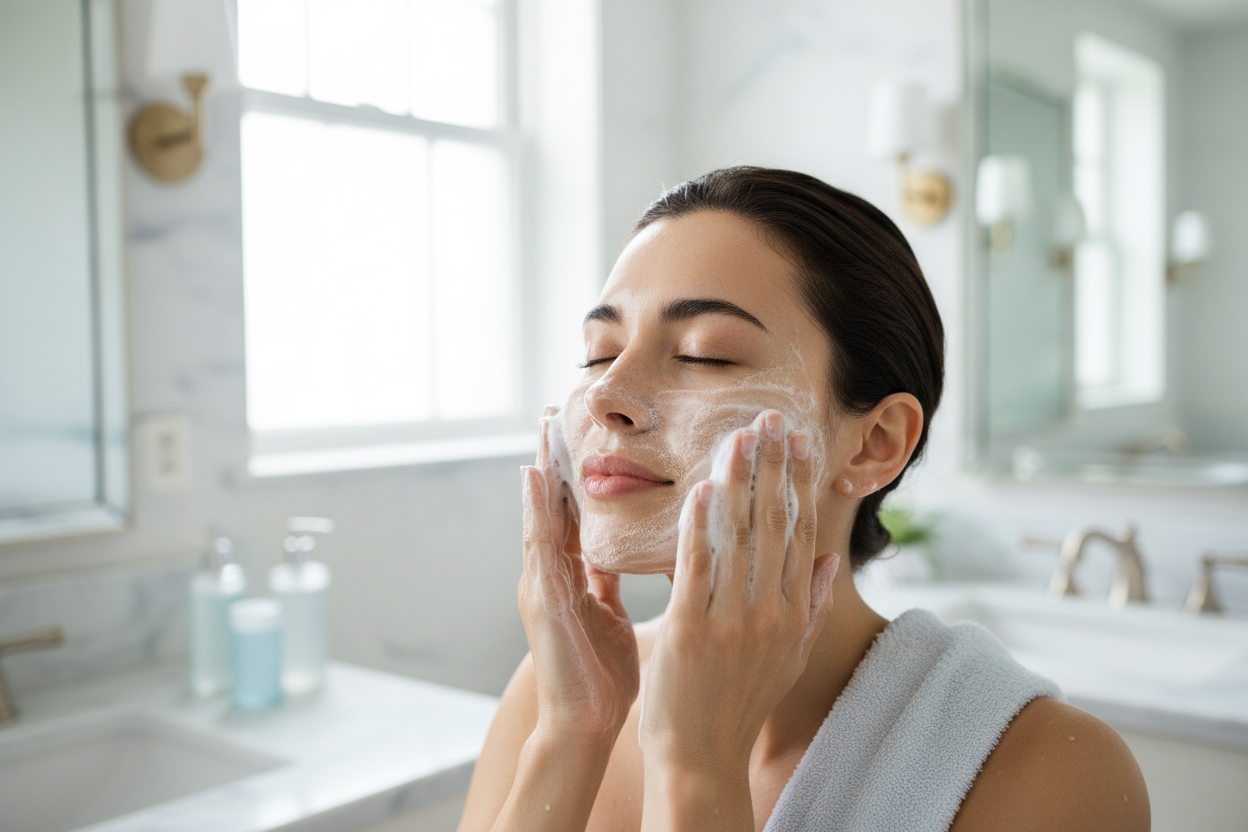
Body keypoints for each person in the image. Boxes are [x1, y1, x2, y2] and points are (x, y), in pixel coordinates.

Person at [458, 168, 1149, 832]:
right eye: (599, 353)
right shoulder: (558, 696)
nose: (606, 395)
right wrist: (572, 736)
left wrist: (696, 765)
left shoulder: (1050, 769)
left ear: (875, 442)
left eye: (706, 355)